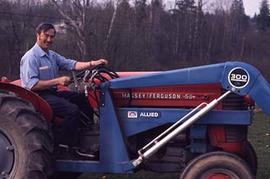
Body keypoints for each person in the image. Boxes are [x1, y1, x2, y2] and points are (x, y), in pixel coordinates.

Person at [20, 22, 107, 150]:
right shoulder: (30, 57)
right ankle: (64, 145)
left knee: (82, 99)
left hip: (51, 93)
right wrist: (57, 81)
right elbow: (31, 85)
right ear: (38, 35)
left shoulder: (51, 55)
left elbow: (71, 64)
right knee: (72, 110)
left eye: (52, 36)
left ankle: (89, 134)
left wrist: (93, 63)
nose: (49, 39)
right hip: (38, 96)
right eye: (46, 36)